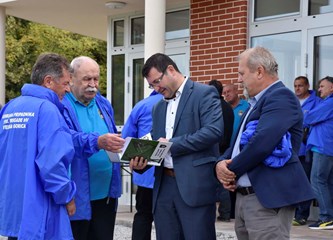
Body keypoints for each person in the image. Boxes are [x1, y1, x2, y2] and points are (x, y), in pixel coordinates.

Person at [215, 46, 315, 240]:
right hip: (246, 197)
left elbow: (261, 143)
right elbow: (236, 144)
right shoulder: (256, 103)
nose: (239, 79)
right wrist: (221, 163)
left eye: (242, 73)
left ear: (259, 71)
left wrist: (230, 170)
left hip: (266, 200)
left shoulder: (281, 97)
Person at [131, 53, 223, 240]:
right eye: (152, 85)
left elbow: (213, 131)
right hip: (164, 186)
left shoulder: (203, 93)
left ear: (171, 70)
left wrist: (172, 145)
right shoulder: (157, 107)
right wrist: (143, 163)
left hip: (194, 185)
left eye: (157, 82)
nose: (156, 89)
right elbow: (159, 145)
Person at [0, 53, 76, 240]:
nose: (68, 90)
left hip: (13, 209)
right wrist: (67, 195)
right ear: (48, 81)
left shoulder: (10, 108)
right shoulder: (48, 110)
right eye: (65, 83)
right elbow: (52, 165)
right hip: (40, 211)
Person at [62, 56, 125, 240]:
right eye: (87, 79)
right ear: (71, 78)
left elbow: (110, 136)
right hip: (77, 196)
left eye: (96, 79)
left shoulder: (103, 103)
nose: (93, 84)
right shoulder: (62, 104)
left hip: (105, 195)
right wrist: (98, 141)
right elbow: (66, 140)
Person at [121, 90, 163, 240]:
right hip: (169, 175)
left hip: (145, 173)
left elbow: (126, 138)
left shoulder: (141, 105)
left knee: (143, 216)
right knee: (167, 220)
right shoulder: (176, 102)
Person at [304, 76, 333, 230]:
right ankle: (329, 216)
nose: (319, 89)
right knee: (327, 183)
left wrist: (309, 115)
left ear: (332, 88)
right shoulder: (326, 103)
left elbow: (309, 117)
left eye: (322, 86)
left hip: (323, 147)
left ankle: (326, 217)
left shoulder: (329, 103)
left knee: (317, 181)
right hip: (326, 147)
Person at [292, 76, 321, 226]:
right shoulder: (292, 101)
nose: (297, 88)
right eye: (295, 86)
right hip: (292, 150)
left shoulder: (316, 101)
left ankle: (302, 215)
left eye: (300, 86)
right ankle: (295, 213)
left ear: (307, 86)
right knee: (294, 182)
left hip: (307, 149)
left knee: (306, 182)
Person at [208, 79, 234, 222]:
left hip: (216, 148)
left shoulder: (213, 106)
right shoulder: (227, 106)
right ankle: (225, 213)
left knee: (217, 182)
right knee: (223, 181)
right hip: (226, 147)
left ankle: (221, 213)